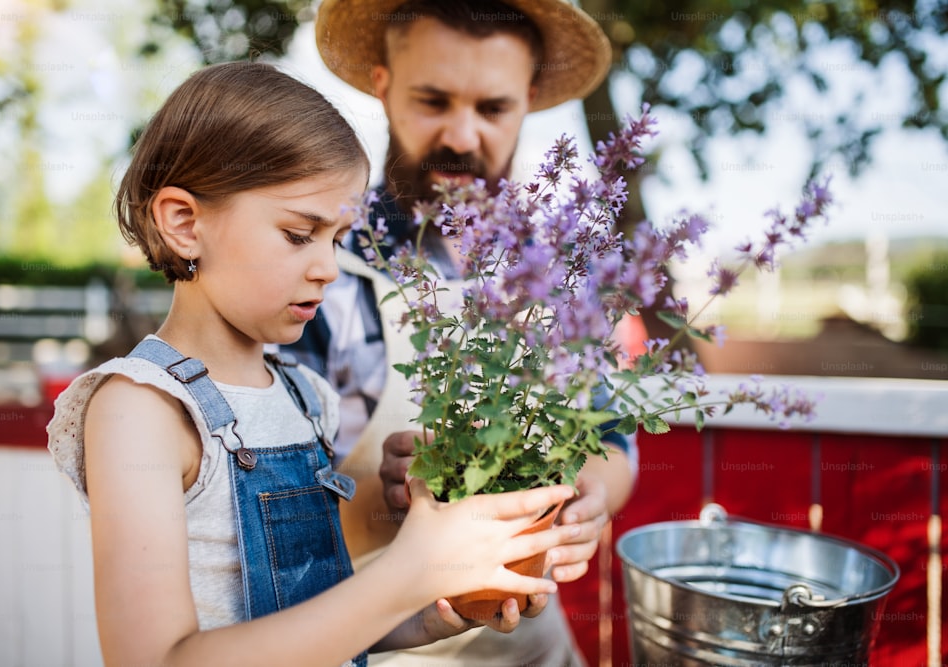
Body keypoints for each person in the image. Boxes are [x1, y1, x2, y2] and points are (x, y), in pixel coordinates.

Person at [46, 61, 585, 667]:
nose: (329, 266)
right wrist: (408, 570)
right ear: (185, 223)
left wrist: (427, 614)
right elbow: (156, 659)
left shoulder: (306, 397)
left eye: (337, 238)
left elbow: (311, 621)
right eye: (300, 235)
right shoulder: (140, 410)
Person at [285, 1, 640, 664]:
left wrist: (590, 492)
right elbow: (259, 501)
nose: (461, 134)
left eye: (493, 108)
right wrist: (380, 498)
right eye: (432, 99)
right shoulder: (318, 253)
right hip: (364, 644)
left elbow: (612, 434)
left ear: (529, 101)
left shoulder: (561, 263)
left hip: (531, 645)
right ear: (383, 83)